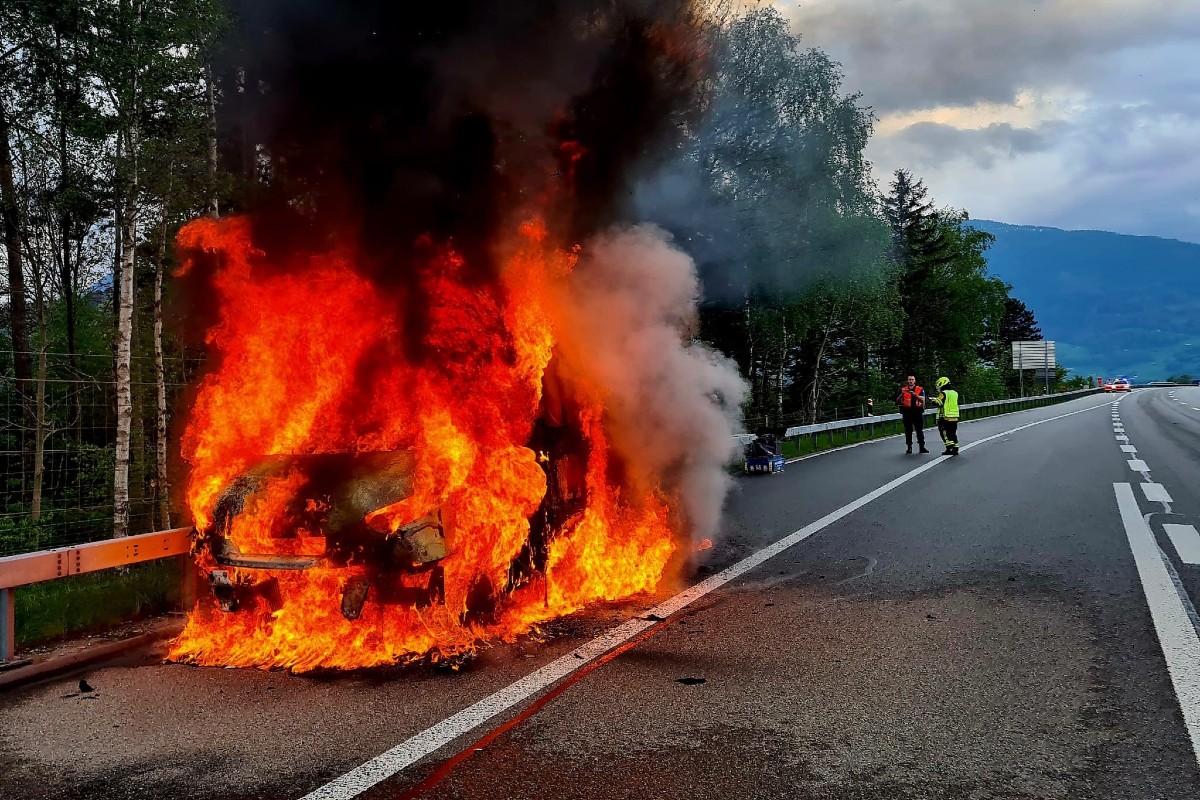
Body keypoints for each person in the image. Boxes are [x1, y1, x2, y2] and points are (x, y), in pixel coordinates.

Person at [895, 375, 928, 454]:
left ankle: (922, 447)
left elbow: (923, 399)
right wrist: (901, 396)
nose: (911, 381)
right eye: (909, 380)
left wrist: (915, 395)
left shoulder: (919, 389)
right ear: (907, 381)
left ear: (915, 381)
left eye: (912, 379)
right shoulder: (903, 390)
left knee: (919, 430)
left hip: (917, 412)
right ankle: (909, 447)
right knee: (908, 430)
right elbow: (897, 400)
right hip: (907, 412)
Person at [932, 376, 960, 455]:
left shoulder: (943, 393)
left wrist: (933, 401)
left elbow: (939, 402)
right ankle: (955, 448)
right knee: (953, 433)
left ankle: (949, 448)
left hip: (945, 417)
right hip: (954, 417)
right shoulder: (955, 393)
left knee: (945, 433)